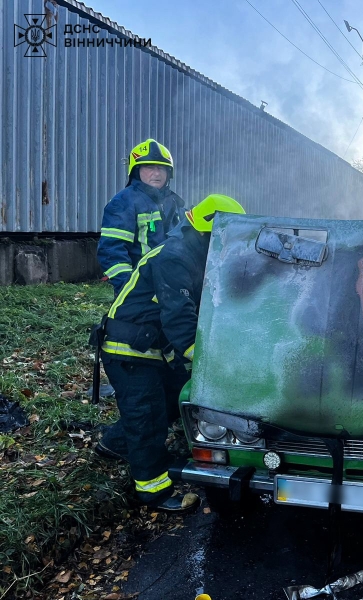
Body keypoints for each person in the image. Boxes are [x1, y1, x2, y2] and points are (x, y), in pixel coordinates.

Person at [93, 194, 246, 512]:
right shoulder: (175, 256)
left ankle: (113, 444)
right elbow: (180, 319)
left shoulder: (194, 254)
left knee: (171, 400)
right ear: (211, 230)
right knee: (147, 418)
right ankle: (154, 492)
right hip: (130, 350)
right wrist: (208, 365)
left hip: (149, 347)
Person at [98, 139, 185, 296]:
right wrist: (128, 288)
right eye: (150, 167)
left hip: (172, 285)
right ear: (136, 170)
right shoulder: (123, 202)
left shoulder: (174, 202)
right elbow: (111, 250)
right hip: (140, 288)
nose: (157, 173)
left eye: (161, 168)